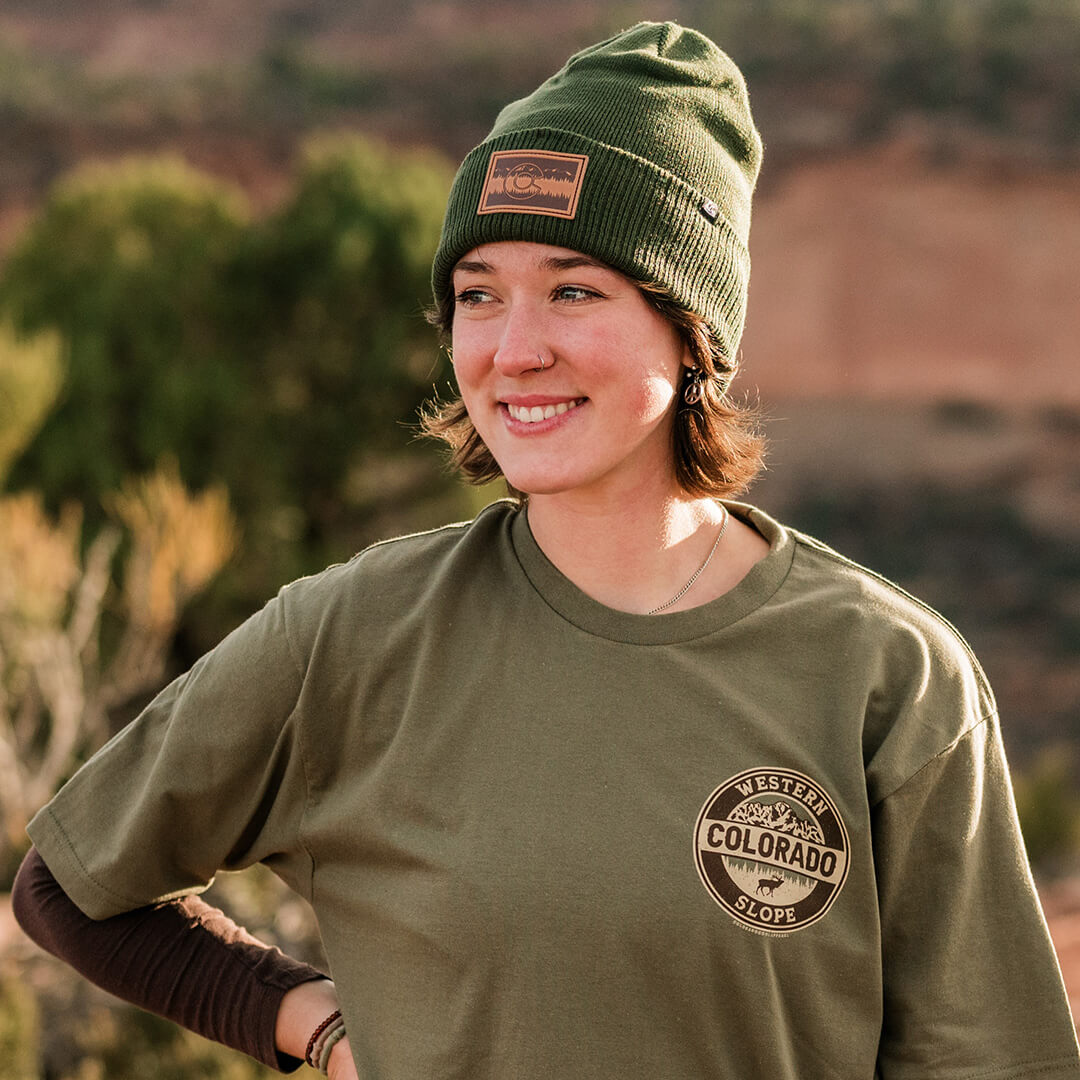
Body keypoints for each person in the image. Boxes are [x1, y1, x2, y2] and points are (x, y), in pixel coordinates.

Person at [12, 21, 1080, 1080]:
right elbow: (70, 887)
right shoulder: (356, 631)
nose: (515, 350)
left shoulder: (888, 675)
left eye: (576, 289)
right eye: (479, 295)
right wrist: (314, 1025)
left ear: (691, 328)